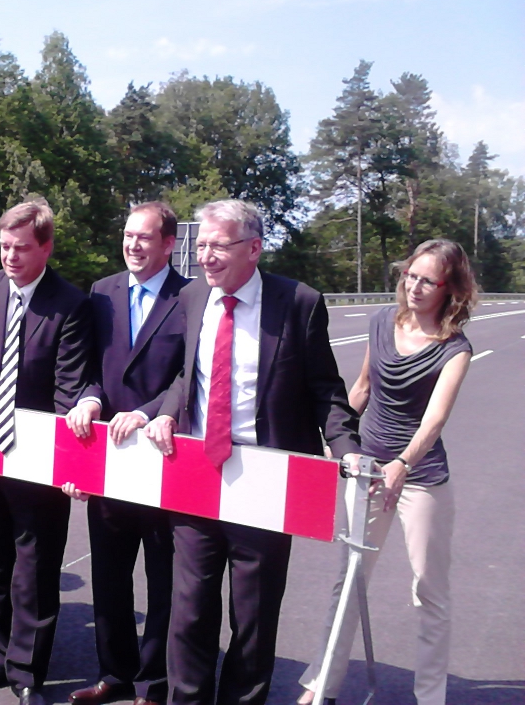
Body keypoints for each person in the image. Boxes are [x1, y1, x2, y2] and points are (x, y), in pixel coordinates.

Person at [146, 199, 360, 705]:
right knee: (189, 609)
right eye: (201, 246)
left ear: (254, 248)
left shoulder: (299, 302)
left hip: (267, 477)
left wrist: (346, 447)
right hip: (198, 472)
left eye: (218, 246)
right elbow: (187, 375)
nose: (205, 257)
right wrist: (166, 411)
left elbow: (325, 388)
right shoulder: (194, 296)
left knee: (254, 615)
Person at [297, 239, 476, 705]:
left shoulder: (455, 348)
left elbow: (434, 420)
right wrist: (330, 442)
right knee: (350, 579)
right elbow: (361, 388)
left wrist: (402, 464)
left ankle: (430, 696)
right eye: (410, 275)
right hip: (368, 470)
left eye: (427, 281)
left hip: (422, 476)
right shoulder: (381, 321)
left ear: (449, 288)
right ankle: (321, 683)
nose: (414, 286)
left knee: (429, 589)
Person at [0, 198, 93, 705]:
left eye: (21, 248)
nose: (10, 256)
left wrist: (68, 463)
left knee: (34, 571)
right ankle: (1, 655)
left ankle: (28, 673)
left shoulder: (71, 303)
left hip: (38, 458)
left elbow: (68, 390)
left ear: (45, 248)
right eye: (4, 246)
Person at [62, 202, 189, 705]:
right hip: (110, 457)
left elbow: (189, 375)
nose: (132, 245)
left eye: (144, 237)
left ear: (168, 244)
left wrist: (147, 411)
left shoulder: (190, 297)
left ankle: (153, 683)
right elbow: (89, 366)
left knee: (163, 578)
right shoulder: (102, 292)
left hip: (164, 456)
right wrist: (90, 398)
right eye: (128, 235)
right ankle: (114, 674)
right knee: (109, 575)